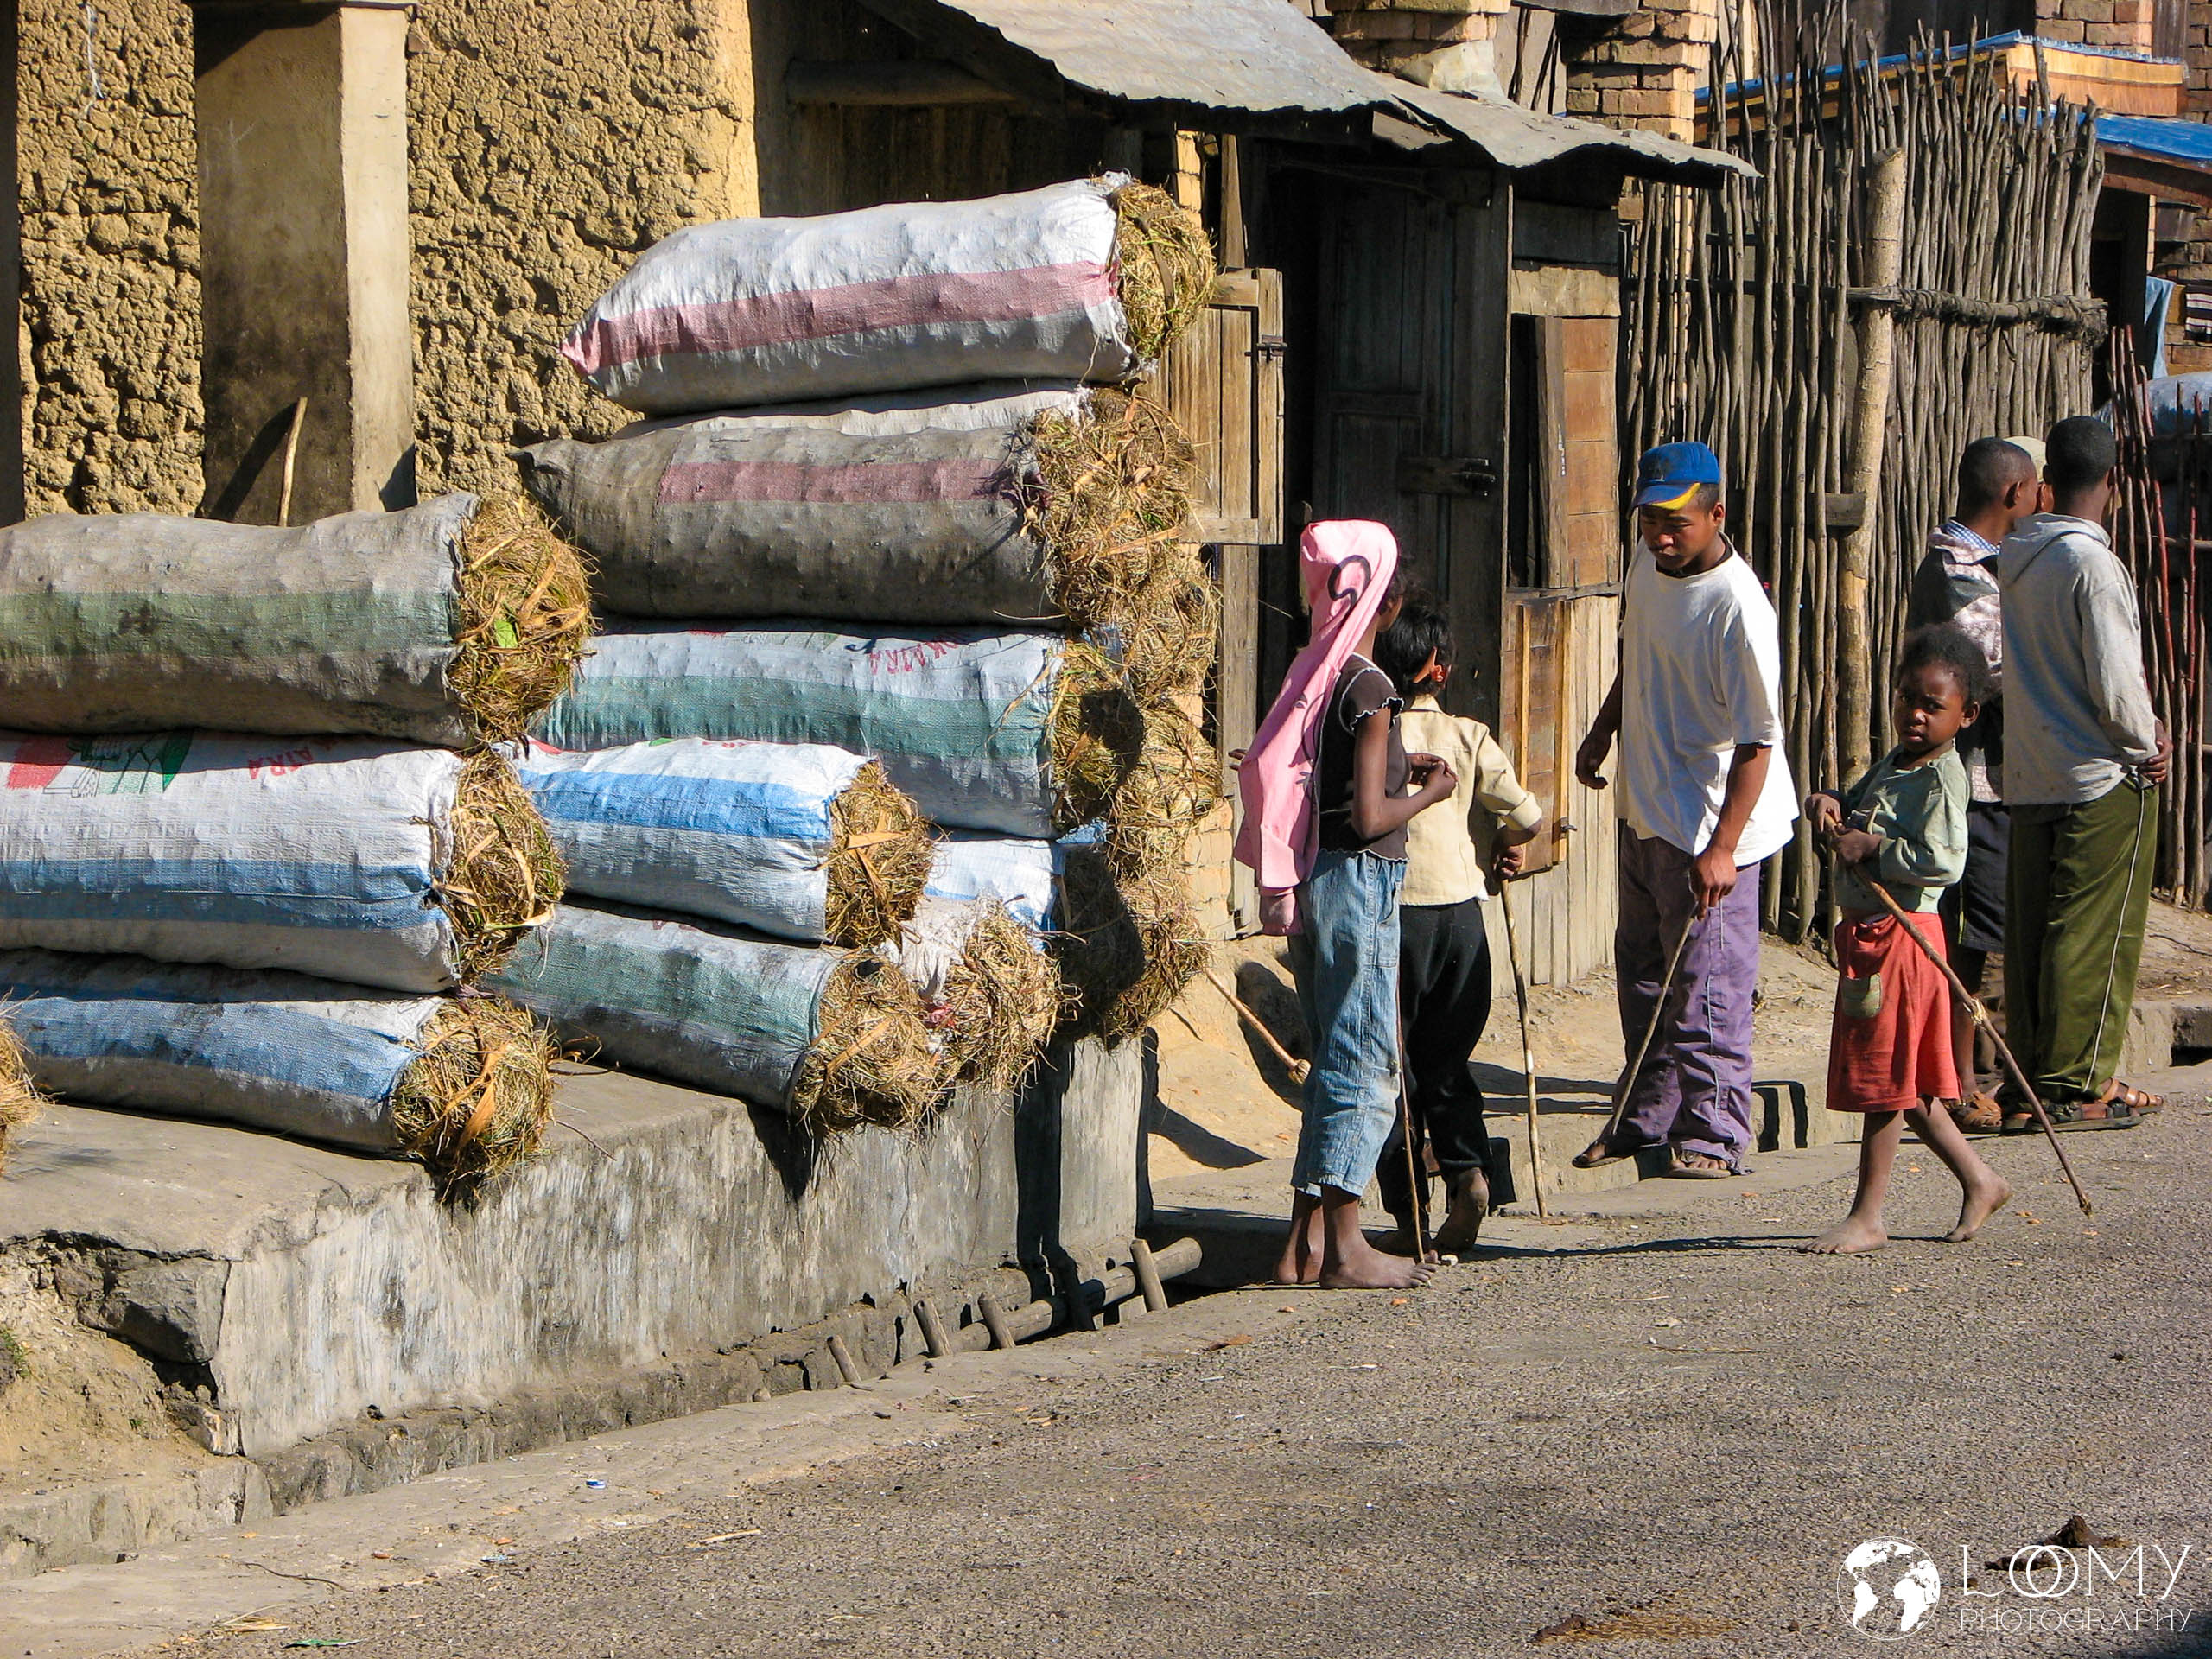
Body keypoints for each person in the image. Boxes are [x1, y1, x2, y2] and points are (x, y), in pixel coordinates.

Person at [1234, 521, 1458, 1288]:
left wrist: (1401, 770)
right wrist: (1428, 791)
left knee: (1334, 1052)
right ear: (1383, 601)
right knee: (1364, 1059)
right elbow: (1369, 818)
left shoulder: (1321, 674)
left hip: (1319, 879)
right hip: (1360, 883)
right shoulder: (1372, 688)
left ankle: (1304, 1246)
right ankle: (1350, 1245)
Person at [1573, 442, 1798, 1179]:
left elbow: (1760, 741)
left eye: (1677, 524)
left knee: (1708, 986)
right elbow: (1638, 655)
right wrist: (1604, 733)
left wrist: (1724, 848)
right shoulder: (1649, 566)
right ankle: (1647, 1118)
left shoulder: (1738, 608)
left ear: (1716, 514)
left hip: (1710, 824)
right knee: (1643, 977)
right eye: (1649, 522)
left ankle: (1716, 1133)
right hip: (1647, 809)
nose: (1661, 537)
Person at [1802, 626, 2012, 1253]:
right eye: (1906, 700)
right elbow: (1861, 804)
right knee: (1907, 1080)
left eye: (1933, 706)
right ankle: (1981, 1179)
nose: (1915, 715)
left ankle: (1867, 1215)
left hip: (1905, 940)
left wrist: (1878, 848)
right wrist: (1830, 801)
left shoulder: (1945, 778)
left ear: (1966, 714)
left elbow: (1945, 860)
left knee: (1885, 1080)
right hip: (1869, 936)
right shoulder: (1896, 763)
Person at [1997, 416, 2171, 1132]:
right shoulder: (2092, 564)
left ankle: (2032, 1081)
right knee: (2093, 933)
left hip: (2034, 770)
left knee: (2035, 930)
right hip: (2100, 776)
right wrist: (2148, 740)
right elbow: (2116, 682)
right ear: (2113, 482)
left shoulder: (2017, 554)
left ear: (2046, 484)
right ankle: (2074, 1086)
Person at [1370, 588, 1543, 1255]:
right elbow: (1526, 817)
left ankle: (1405, 1203)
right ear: (1440, 668)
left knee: (1389, 1066)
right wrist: (1504, 843)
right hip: (1462, 924)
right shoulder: (1469, 736)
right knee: (1446, 1064)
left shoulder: (1372, 729)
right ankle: (1468, 1172)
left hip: (1394, 917)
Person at [1904, 436, 2046, 1134]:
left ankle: (1978, 1073)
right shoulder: (1957, 574)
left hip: (1991, 777)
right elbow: (1994, 673)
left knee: (1985, 929)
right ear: (2015, 494)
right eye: (2036, 491)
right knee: (1971, 935)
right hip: (1973, 782)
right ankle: (1960, 1081)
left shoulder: (1979, 565)